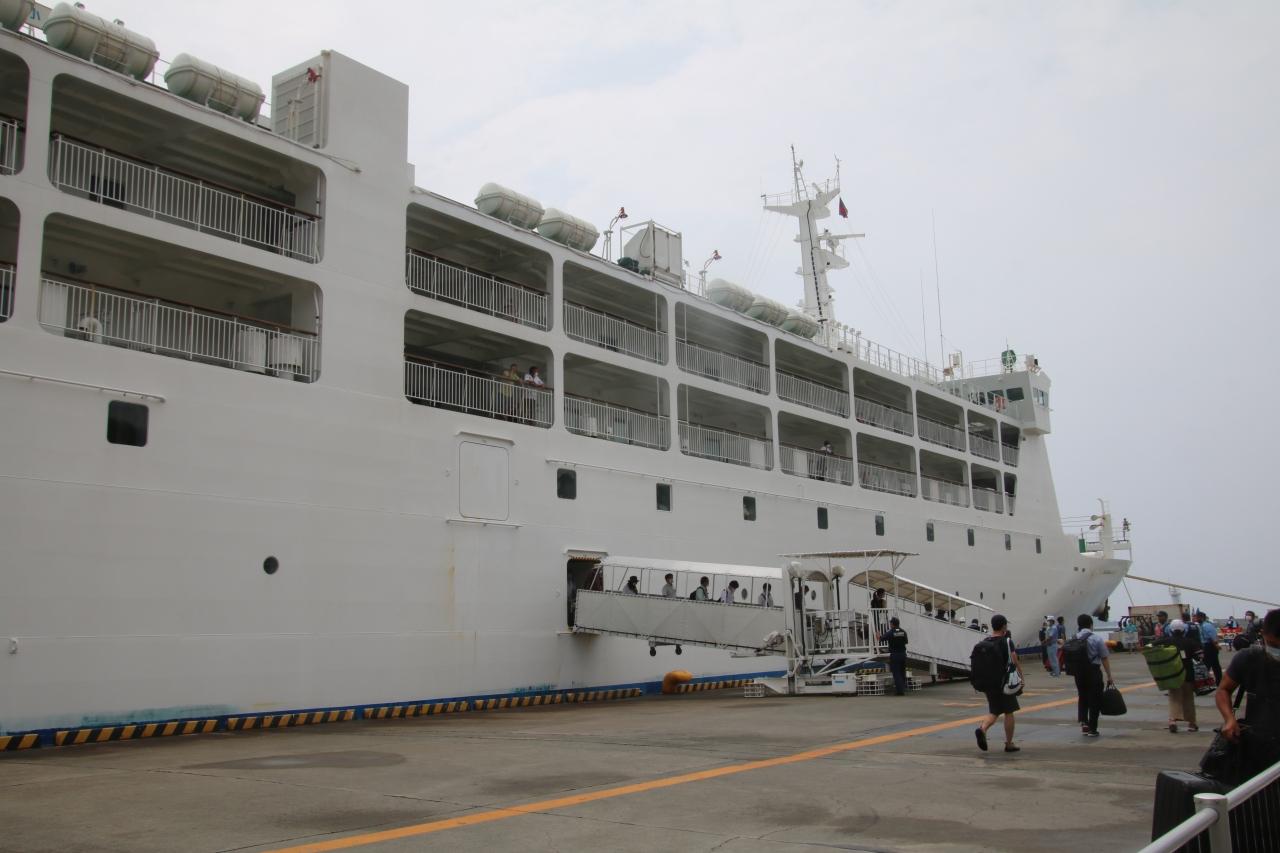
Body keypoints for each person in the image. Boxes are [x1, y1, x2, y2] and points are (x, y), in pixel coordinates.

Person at [1216, 608, 1280, 772]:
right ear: (1262, 634)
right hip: (1259, 743)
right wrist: (1229, 719)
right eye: (1273, 645)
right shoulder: (1248, 658)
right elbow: (1223, 690)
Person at [975, 614, 1022, 753]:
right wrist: (1021, 677)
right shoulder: (1006, 641)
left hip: (988, 683)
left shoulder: (985, 641)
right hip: (1004, 683)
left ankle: (982, 729)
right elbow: (1014, 660)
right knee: (1009, 712)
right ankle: (1009, 743)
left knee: (994, 711)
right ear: (1004, 626)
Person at [1154, 618, 1203, 732]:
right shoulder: (1191, 642)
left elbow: (1151, 645)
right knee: (1188, 698)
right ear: (1184, 630)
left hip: (1172, 674)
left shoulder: (1166, 641)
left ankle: (1172, 721)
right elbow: (1200, 657)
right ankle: (1192, 723)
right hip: (1188, 674)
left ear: (1171, 630)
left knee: (1174, 698)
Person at [1073, 614, 1114, 737]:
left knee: (1082, 696)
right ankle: (1092, 729)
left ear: (1079, 625)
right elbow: (1104, 658)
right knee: (1094, 699)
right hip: (1093, 671)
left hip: (1078, 673)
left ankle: (1084, 723)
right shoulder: (1097, 638)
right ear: (1091, 624)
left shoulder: (1074, 638)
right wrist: (1109, 675)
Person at [881, 617, 909, 696]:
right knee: (902, 672)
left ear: (892, 624)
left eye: (890, 623)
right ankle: (903, 688)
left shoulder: (891, 632)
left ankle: (900, 691)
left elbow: (882, 639)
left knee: (896, 673)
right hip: (903, 654)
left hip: (895, 654)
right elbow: (906, 641)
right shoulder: (903, 631)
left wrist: (878, 636)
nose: (890, 625)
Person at [1195, 610, 1222, 685]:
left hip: (1210, 646)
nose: (1196, 619)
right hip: (1207, 646)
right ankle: (1218, 681)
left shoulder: (1206, 625)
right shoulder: (1201, 626)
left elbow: (1212, 637)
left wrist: (1216, 645)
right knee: (1215, 665)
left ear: (1202, 618)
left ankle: (1207, 682)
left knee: (1207, 665)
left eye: (1197, 618)